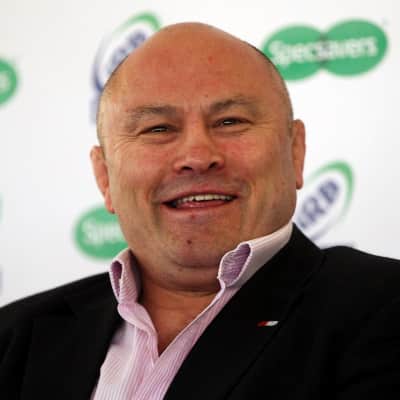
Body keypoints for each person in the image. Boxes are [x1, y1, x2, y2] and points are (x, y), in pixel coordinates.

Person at [1, 22, 400, 400]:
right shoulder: (14, 337)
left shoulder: (382, 306)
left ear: (295, 151)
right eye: (158, 129)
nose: (196, 156)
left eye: (230, 121)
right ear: (104, 176)